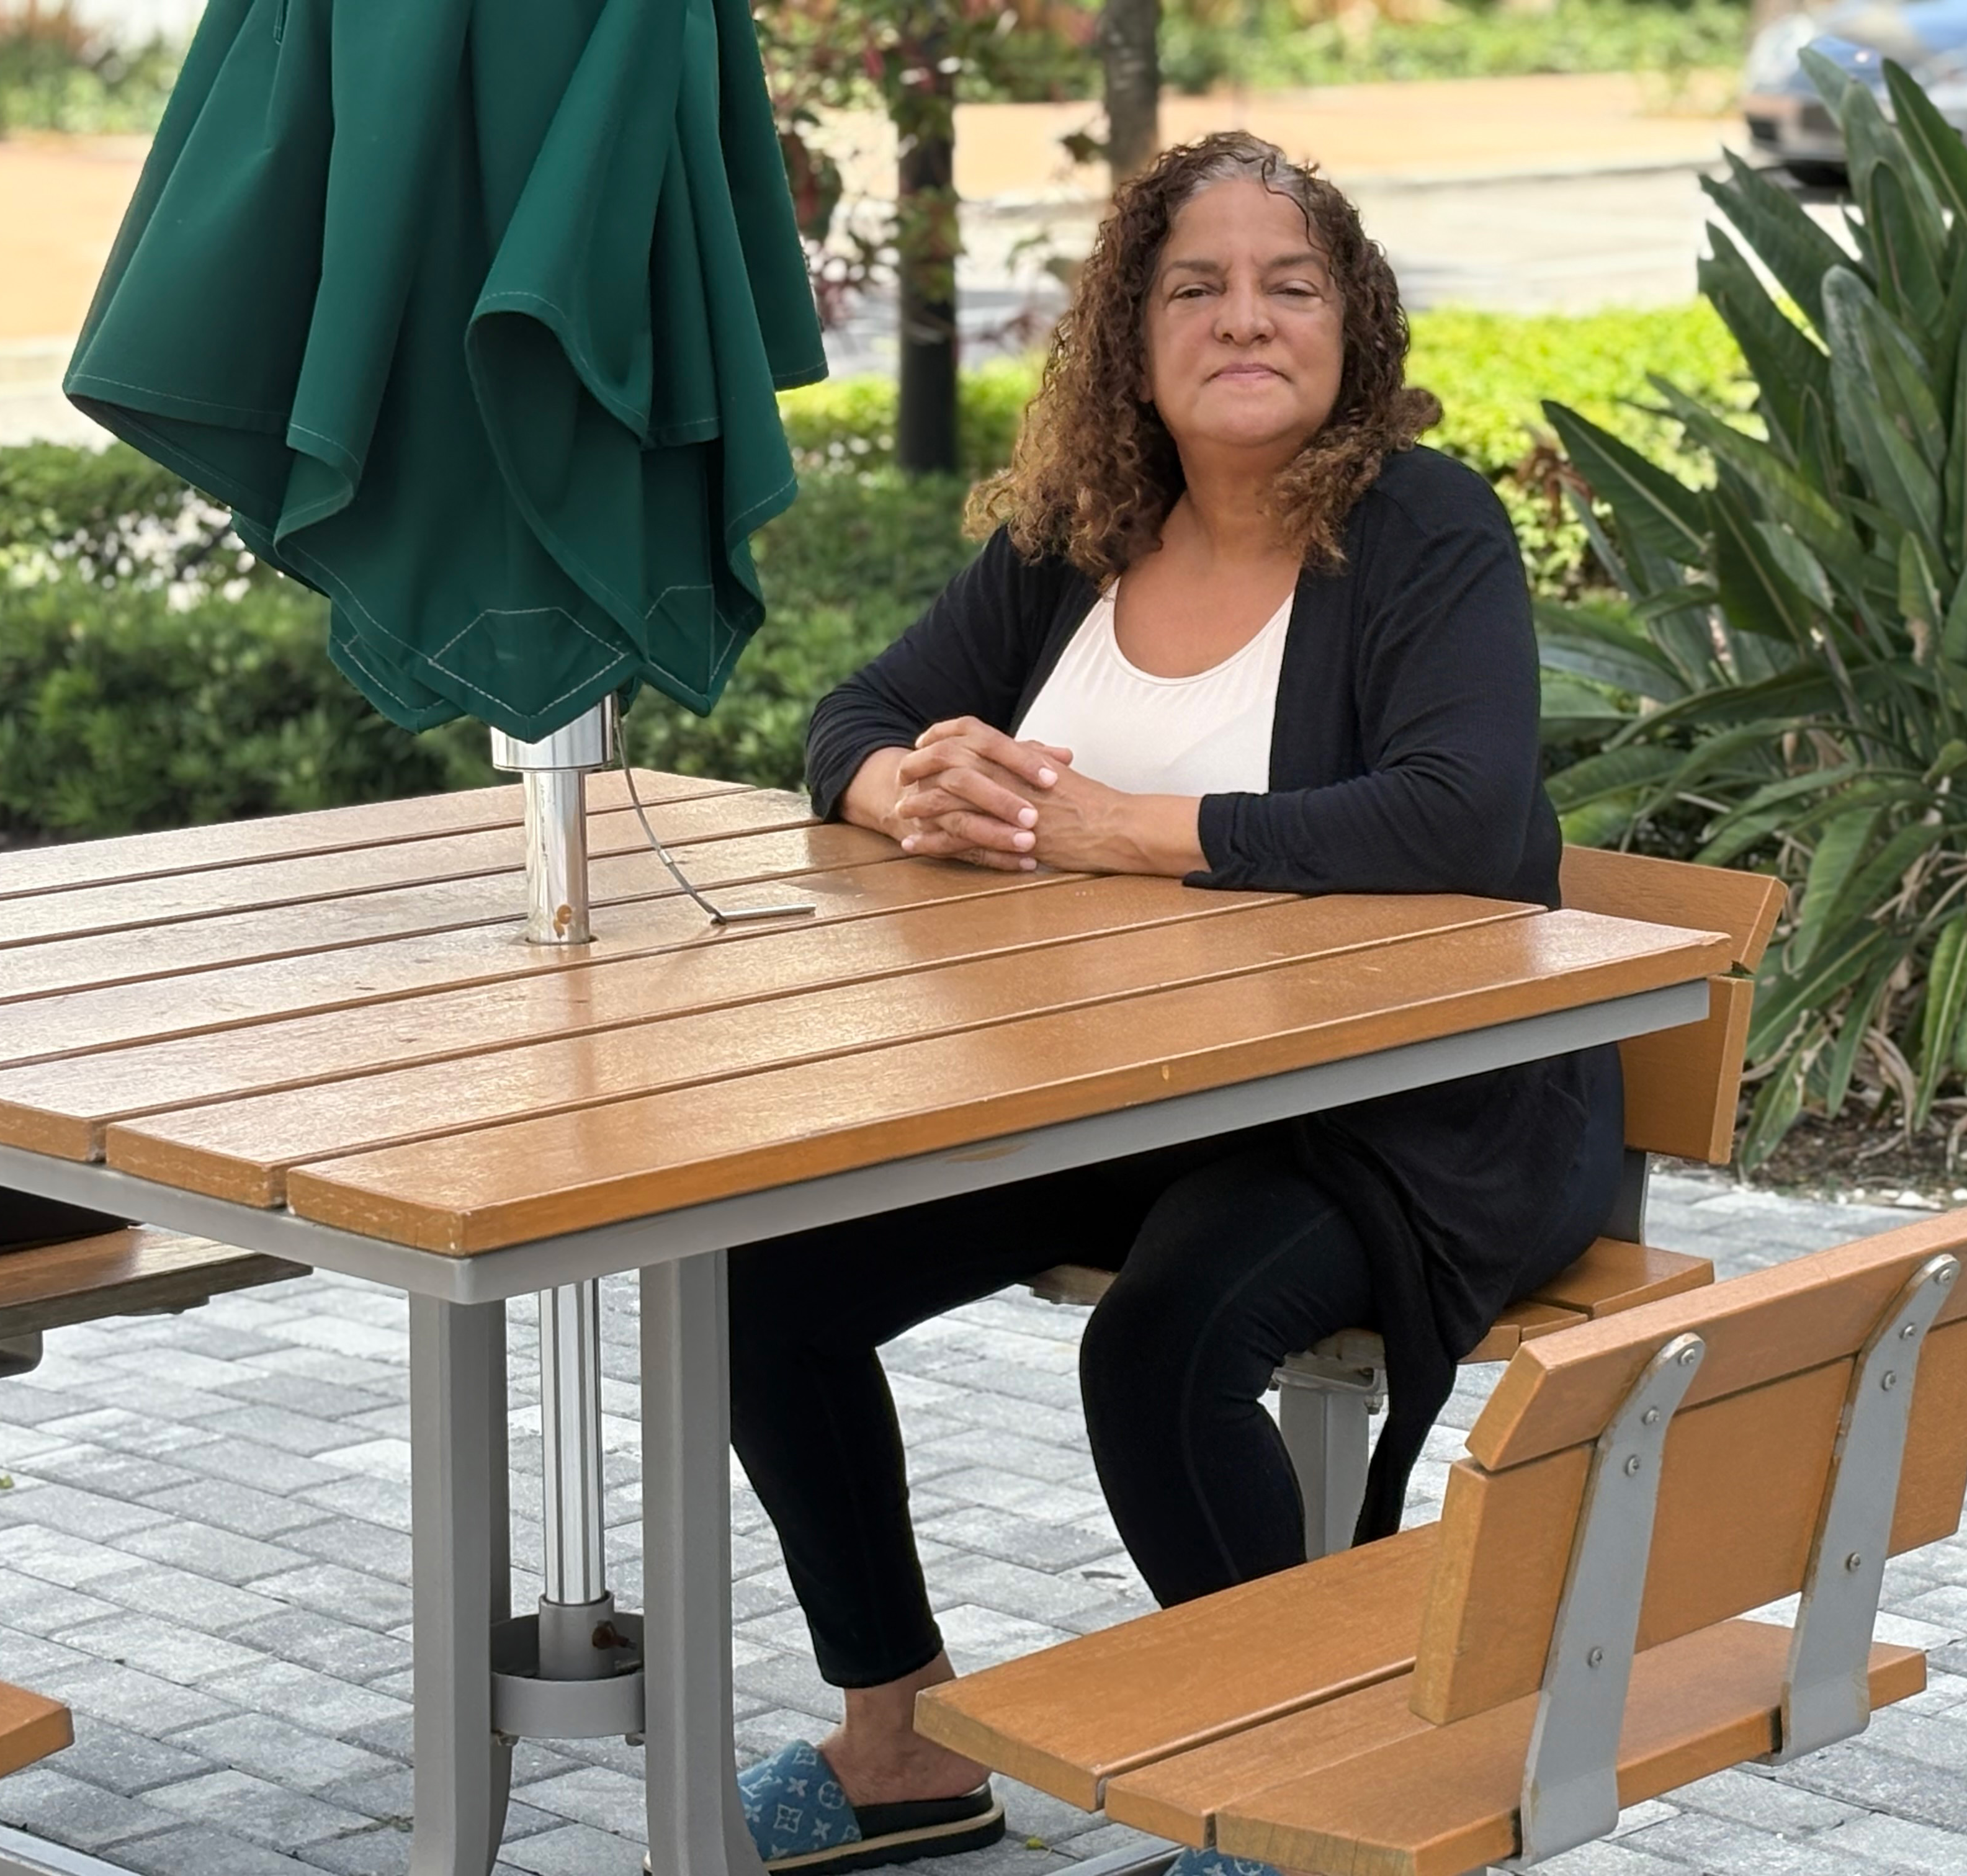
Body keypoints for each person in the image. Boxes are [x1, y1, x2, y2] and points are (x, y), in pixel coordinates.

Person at [724, 130, 1623, 1874]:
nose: (1245, 317)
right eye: (1195, 286)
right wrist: (894, 786)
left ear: (1352, 328)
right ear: (1128, 339)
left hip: (1408, 1114)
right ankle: (898, 1741)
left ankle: (1307, 1801)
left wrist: (1126, 830)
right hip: (1118, 1099)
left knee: (1167, 1343)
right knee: (756, 1282)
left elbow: (1464, 812)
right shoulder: (1077, 541)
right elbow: (848, 713)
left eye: (1291, 285)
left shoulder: (1424, 530)